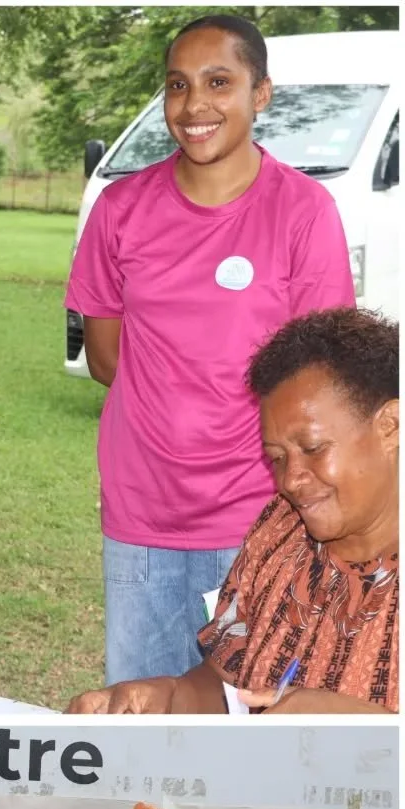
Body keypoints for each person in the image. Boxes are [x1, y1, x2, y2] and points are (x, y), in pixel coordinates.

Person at [66, 14, 355, 688]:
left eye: (219, 82)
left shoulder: (304, 212)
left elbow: (319, 382)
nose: (194, 106)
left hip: (262, 513)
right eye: (177, 85)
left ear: (261, 95)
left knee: (246, 716)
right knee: (140, 715)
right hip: (141, 512)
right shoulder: (120, 209)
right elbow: (108, 359)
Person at [69, 308, 398, 715]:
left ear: (390, 426)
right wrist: (168, 696)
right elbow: (226, 681)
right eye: (276, 458)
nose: (291, 480)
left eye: (313, 449)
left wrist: (360, 728)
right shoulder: (280, 529)